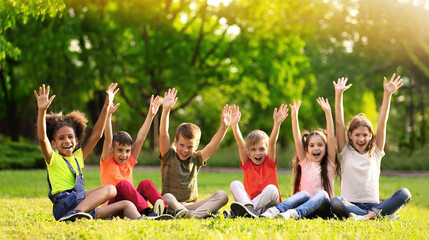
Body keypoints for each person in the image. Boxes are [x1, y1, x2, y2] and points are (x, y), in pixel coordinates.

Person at [35, 83, 148, 221]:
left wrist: (106, 106)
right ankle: (75, 214)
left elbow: (96, 135)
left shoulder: (77, 158)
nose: (67, 141)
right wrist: (42, 111)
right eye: (61, 138)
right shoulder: (52, 158)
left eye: (70, 137)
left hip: (83, 206)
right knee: (111, 189)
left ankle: (144, 219)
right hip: (64, 205)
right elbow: (42, 139)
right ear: (53, 143)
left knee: (126, 204)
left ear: (76, 140)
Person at [330, 75, 411, 220]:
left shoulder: (376, 152)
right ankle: (378, 216)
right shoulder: (345, 152)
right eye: (357, 135)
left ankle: (367, 216)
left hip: (373, 204)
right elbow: (339, 124)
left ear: (370, 136)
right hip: (350, 203)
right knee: (335, 202)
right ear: (350, 135)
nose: (361, 139)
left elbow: (382, 123)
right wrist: (338, 95)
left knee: (405, 193)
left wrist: (387, 95)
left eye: (365, 135)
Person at [261, 98, 340, 220]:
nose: (316, 148)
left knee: (322, 194)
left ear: (326, 148)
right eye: (312, 145)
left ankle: (293, 214)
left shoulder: (329, 164)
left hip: (323, 211)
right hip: (306, 211)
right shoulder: (305, 163)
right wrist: (294, 117)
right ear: (307, 149)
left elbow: (330, 137)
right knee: (303, 194)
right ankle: (274, 211)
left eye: (320, 145)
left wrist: (328, 113)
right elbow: (297, 139)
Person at [159, 88, 230, 219]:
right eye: (181, 145)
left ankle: (192, 216)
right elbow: (163, 133)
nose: (185, 150)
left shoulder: (196, 158)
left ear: (196, 146)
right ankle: (195, 214)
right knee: (167, 197)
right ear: (175, 142)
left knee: (222, 195)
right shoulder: (169, 155)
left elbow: (213, 144)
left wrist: (224, 127)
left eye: (190, 147)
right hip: (172, 205)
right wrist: (166, 110)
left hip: (192, 206)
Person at [99, 94, 173, 220]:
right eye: (120, 150)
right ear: (112, 151)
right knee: (123, 185)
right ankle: (148, 212)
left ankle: (163, 210)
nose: (124, 155)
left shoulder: (129, 162)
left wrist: (151, 115)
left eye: (127, 151)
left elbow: (140, 138)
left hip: (132, 204)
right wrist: (108, 115)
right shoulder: (107, 162)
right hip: (113, 207)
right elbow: (108, 139)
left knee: (146, 183)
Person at [227, 104, 288, 218]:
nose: (258, 153)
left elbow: (272, 142)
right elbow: (241, 146)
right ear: (248, 153)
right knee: (235, 184)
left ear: (267, 150)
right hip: (251, 203)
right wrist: (234, 125)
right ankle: (249, 210)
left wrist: (277, 123)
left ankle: (246, 210)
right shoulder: (247, 164)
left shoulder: (269, 162)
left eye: (262, 149)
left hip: (270, 206)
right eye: (253, 150)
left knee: (272, 189)